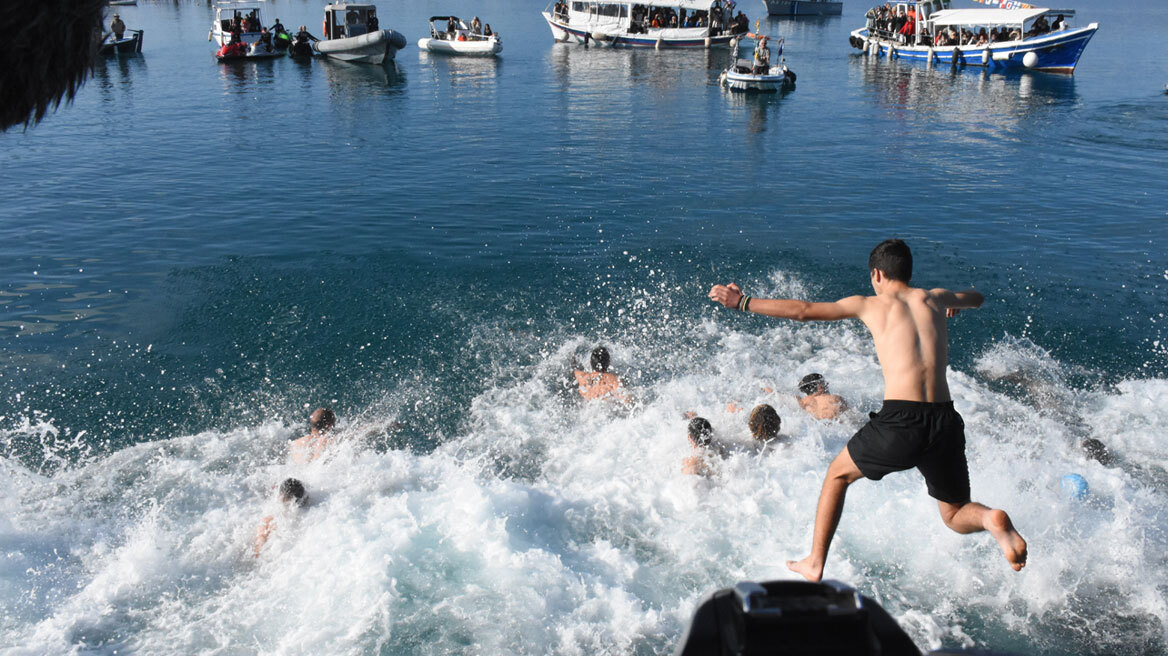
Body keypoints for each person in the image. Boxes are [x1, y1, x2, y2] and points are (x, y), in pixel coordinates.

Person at [708, 239, 1027, 582]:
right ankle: (990, 519)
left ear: (877, 274)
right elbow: (977, 298)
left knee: (837, 475)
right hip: (946, 420)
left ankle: (815, 562)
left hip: (902, 420)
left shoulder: (870, 304)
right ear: (908, 271)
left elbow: (803, 310)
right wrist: (953, 305)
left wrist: (742, 302)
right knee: (955, 514)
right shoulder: (934, 297)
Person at [253, 478, 308, 557]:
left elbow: (261, 539)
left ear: (280, 496)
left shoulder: (272, 519)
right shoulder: (306, 513)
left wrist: (257, 551)